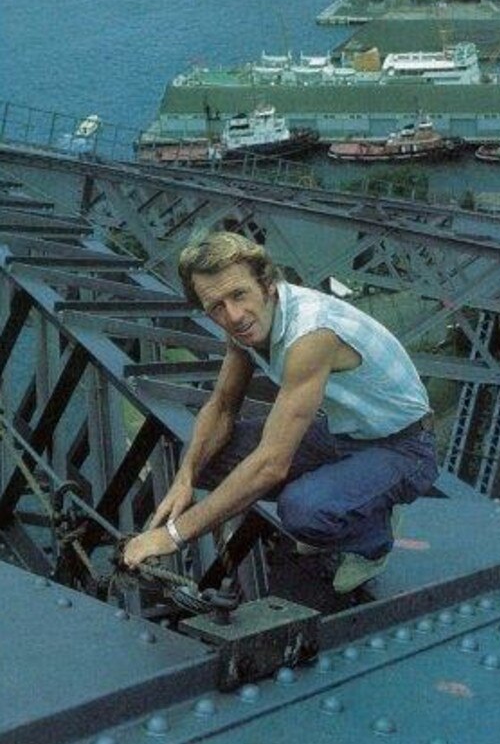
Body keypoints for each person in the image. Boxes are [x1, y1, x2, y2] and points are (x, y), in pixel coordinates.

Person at [123, 231, 437, 593]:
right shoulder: (245, 325)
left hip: (404, 445)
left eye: (239, 294)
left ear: (268, 284)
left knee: (304, 511)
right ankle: (351, 495)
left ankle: (371, 539)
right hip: (344, 431)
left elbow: (272, 464)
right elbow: (223, 405)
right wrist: (185, 478)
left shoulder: (311, 336)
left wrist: (173, 535)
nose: (234, 315)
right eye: (216, 306)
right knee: (203, 455)